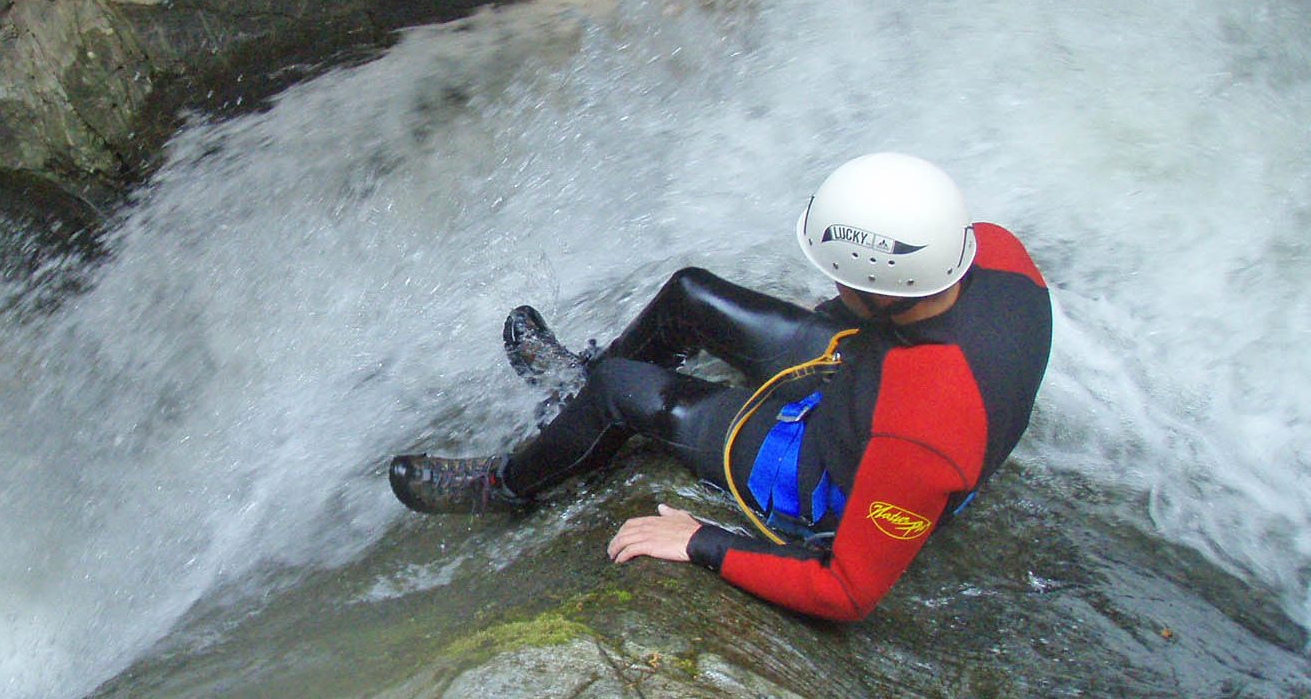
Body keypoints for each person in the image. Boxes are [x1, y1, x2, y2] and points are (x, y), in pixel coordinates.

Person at [388, 152, 1052, 622]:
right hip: (874, 367)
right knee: (691, 293)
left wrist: (702, 542)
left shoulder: (924, 432)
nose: (830, 283)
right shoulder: (996, 253)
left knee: (624, 388)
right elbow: (864, 319)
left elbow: (847, 591)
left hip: (839, 463)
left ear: (880, 289)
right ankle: (575, 391)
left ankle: (506, 485)